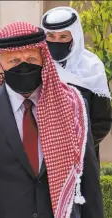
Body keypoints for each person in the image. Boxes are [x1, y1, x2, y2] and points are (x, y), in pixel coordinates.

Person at [0, 22, 103, 218]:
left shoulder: (72, 106)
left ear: (43, 59)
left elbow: (89, 181)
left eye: (30, 58)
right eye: (14, 60)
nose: (24, 65)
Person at [41, 6, 112, 160]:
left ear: (75, 36)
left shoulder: (92, 67)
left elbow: (102, 122)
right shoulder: (38, 65)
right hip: (41, 158)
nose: (56, 41)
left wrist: (73, 149)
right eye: (51, 36)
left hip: (82, 159)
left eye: (63, 37)